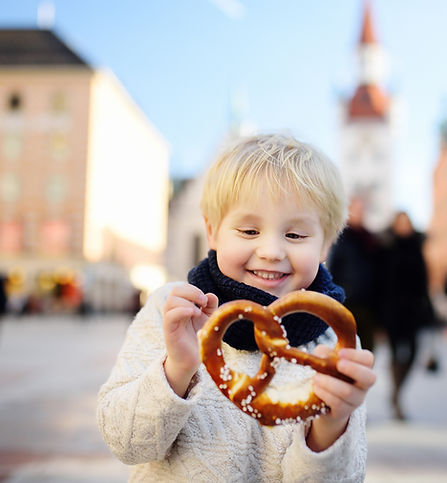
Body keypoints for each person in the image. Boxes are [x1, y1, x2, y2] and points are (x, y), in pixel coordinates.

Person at [97, 134, 376, 482]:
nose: (271, 251)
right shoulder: (172, 311)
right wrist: (176, 369)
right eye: (249, 230)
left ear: (325, 245)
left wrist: (332, 425)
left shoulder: (334, 347)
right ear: (213, 232)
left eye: (295, 235)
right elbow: (126, 444)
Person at [380, 211, 436, 420]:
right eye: (400, 223)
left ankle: (397, 392)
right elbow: (382, 281)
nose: (404, 227)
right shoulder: (387, 247)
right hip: (393, 309)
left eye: (406, 223)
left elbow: (423, 280)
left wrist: (426, 305)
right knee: (396, 353)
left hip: (413, 310)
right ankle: (396, 399)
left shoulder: (416, 246)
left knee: (413, 353)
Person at [328, 197, 380, 352]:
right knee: (348, 347)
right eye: (356, 210)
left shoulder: (370, 240)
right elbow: (334, 270)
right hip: (347, 302)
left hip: (368, 304)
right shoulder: (341, 238)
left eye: (362, 210)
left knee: (367, 349)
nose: (359, 214)